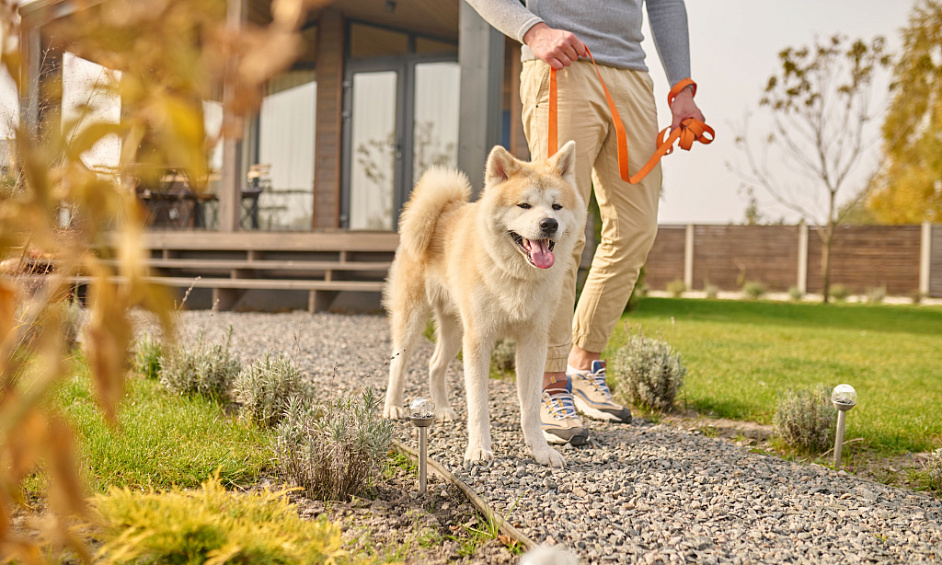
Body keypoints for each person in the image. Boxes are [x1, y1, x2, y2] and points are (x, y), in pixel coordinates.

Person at [465, 0, 706, 445]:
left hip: (631, 74)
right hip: (562, 63)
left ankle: (583, 359)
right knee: (552, 231)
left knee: (636, 229)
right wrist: (532, 30)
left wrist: (681, 86)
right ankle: (550, 381)